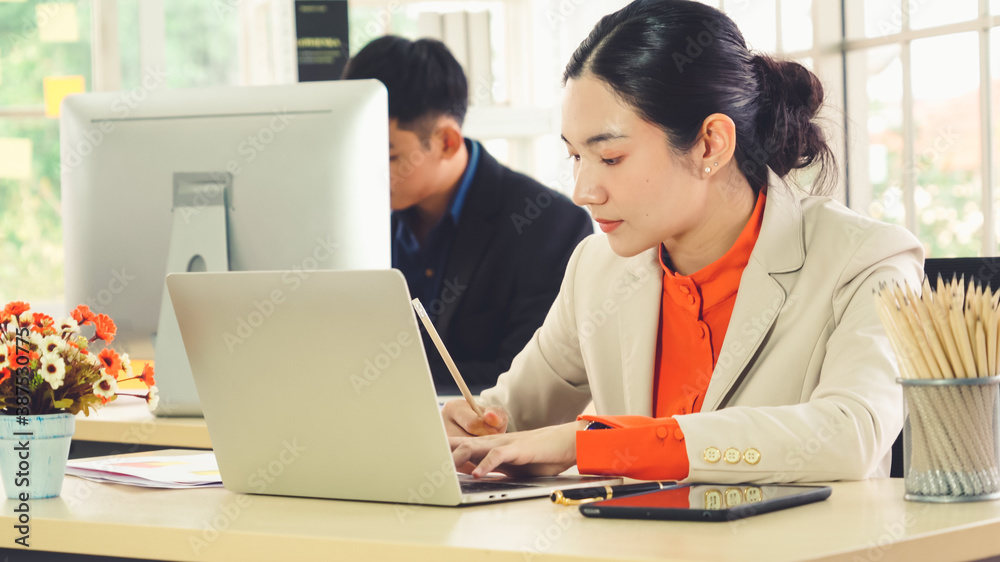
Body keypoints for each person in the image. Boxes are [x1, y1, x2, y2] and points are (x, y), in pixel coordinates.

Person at [444, 0, 924, 484]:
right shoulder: (597, 267)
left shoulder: (868, 261)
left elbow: (849, 436)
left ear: (711, 144)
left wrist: (601, 442)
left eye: (609, 158)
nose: (583, 191)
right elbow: (509, 418)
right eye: (575, 157)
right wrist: (464, 428)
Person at [342, 37, 594, 394]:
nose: (365, 173)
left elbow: (529, 382)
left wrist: (374, 380)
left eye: (387, 155)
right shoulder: (355, 219)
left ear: (446, 141)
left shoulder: (549, 225)